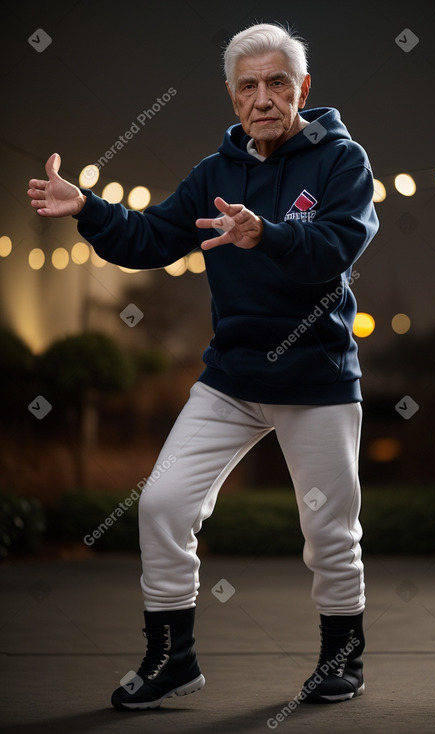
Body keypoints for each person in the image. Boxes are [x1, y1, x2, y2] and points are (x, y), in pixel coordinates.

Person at [28, 22, 379, 709]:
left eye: (278, 82)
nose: (263, 97)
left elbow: (333, 248)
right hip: (232, 380)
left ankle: (343, 659)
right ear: (231, 96)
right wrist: (89, 211)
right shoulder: (215, 173)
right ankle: (172, 659)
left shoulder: (343, 162)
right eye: (247, 85)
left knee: (328, 529)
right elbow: (152, 236)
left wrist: (264, 233)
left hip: (317, 380)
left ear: (302, 88)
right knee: (159, 504)